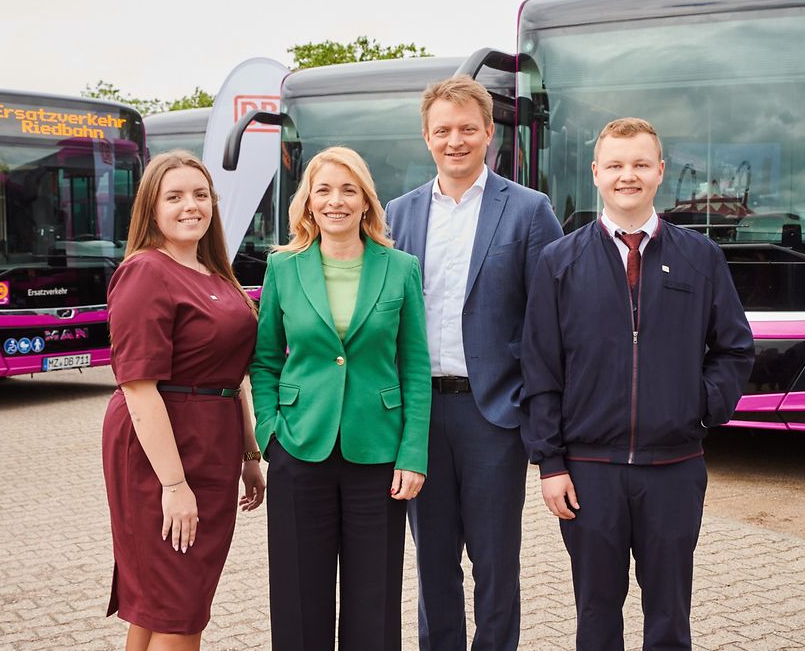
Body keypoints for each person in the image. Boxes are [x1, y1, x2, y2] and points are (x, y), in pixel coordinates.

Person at [520, 118, 755, 650]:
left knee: (670, 616)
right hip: (588, 473)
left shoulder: (701, 258)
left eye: (641, 164)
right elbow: (540, 367)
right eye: (617, 165)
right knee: (596, 614)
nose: (629, 176)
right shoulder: (559, 262)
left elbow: (735, 349)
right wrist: (550, 464)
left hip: (673, 469)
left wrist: (698, 407)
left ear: (660, 172)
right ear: (596, 172)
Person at [385, 75, 563, 651]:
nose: (454, 140)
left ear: (490, 132)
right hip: (421, 418)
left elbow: (550, 324)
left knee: (495, 564)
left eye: (467, 129)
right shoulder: (398, 215)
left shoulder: (531, 211)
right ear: (426, 137)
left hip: (494, 417)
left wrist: (543, 422)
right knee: (432, 563)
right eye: (443, 130)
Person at [250, 146, 431, 651]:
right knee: (297, 599)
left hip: (377, 455)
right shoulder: (283, 268)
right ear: (307, 202)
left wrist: (413, 453)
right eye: (323, 190)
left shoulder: (401, 268)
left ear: (367, 202)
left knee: (373, 603)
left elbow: (415, 368)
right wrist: (270, 433)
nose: (336, 201)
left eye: (348, 190)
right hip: (299, 449)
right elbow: (264, 360)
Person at [102, 150, 265, 651]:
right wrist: (174, 485)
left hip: (213, 444)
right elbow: (137, 385)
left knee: (165, 598)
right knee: (181, 602)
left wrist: (249, 455)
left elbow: (233, 375)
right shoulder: (146, 271)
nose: (190, 206)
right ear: (151, 208)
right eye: (174, 197)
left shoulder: (217, 275)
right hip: (162, 447)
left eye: (200, 195)